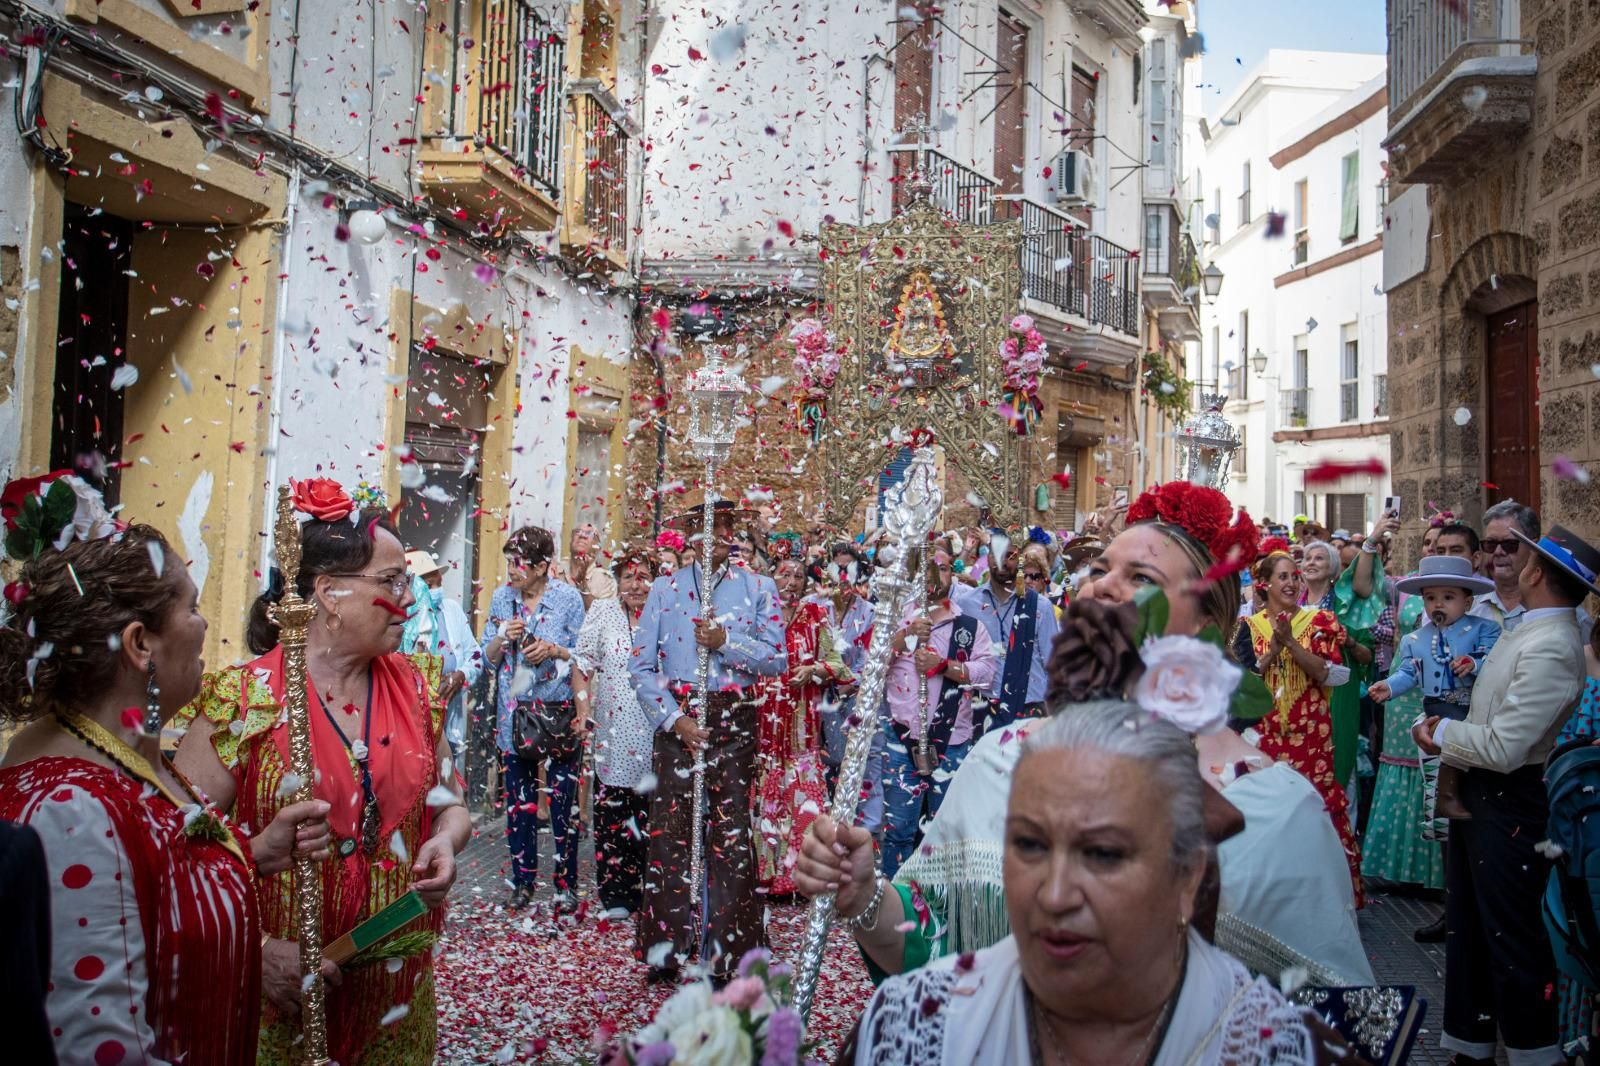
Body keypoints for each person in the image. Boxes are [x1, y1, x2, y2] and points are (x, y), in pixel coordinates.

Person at [800, 483, 1371, 988]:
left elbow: (1321, 1027)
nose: (1101, 587)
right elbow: (922, 947)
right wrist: (864, 898)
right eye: (1099, 570)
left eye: (1141, 578)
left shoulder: (1276, 809)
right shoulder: (1004, 758)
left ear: (1206, 625)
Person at [1, 476, 327, 1066]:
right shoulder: (71, 809)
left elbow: (146, 898)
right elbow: (98, 1050)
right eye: (193, 606)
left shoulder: (136, 764)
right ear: (139, 644)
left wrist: (252, 852)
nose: (204, 626)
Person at [844, 702, 1317, 1065]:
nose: (1054, 895)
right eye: (1029, 844)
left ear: (1189, 877)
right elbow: (927, 930)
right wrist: (865, 899)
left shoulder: (1271, 1043)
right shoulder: (910, 1029)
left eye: (1104, 854)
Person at [175, 477, 467, 1065]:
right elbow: (180, 861)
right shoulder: (244, 700)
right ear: (329, 593)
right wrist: (255, 949)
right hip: (278, 999)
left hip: (395, 999)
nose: (408, 599)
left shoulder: (418, 689)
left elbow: (452, 804)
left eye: (405, 580)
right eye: (391, 582)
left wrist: (445, 839)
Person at [1413, 524, 1596, 1064]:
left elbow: (1504, 745)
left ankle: (1530, 1051)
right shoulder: (1531, 630)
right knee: (1471, 930)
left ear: (1537, 573)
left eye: (1522, 554)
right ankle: (1471, 1046)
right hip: (1487, 793)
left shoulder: (1551, 643)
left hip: (1509, 796)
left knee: (1510, 939)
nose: (1507, 559)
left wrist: (1438, 733)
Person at [628, 493, 786, 981]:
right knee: (669, 834)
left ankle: (729, 953)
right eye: (704, 526)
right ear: (692, 534)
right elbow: (640, 666)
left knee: (731, 837)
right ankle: (666, 950)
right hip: (679, 720)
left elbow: (776, 658)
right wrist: (675, 720)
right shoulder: (664, 588)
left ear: (732, 532)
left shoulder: (759, 588)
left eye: (723, 526)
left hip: (735, 718)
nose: (714, 535)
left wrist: (727, 643)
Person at [1236, 549, 1364, 904]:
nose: (1292, 582)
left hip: (1311, 733)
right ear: (1264, 584)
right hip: (1264, 734)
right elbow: (1244, 682)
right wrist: (1272, 652)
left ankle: (1324, 898)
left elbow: (1328, 673)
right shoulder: (1245, 628)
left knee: (1315, 807)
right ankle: (1270, 897)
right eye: (1283, 577)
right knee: (1269, 809)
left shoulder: (1320, 622)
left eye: (1295, 576)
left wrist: (1290, 642)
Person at [480, 525, 587, 911]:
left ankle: (566, 884)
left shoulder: (568, 599)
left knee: (562, 807)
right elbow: (486, 661)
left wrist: (553, 650)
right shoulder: (501, 599)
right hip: (514, 719)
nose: (513, 569)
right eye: (510, 561)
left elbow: (583, 655)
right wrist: (501, 638)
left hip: (557, 714)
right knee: (520, 808)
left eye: (521, 563)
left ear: (543, 566)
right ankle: (522, 883)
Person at [879, 541, 1000, 878]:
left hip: (952, 742)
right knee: (899, 830)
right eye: (929, 569)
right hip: (902, 741)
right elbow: (870, 670)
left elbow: (987, 675)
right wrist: (904, 636)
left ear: (953, 575)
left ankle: (939, 907)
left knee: (945, 831)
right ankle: (894, 908)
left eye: (944, 568)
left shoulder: (969, 628)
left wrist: (944, 666)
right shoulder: (895, 621)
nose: (936, 575)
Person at [1368, 555, 1499, 828]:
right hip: (1439, 706)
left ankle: (1458, 802)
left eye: (1448, 597)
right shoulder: (1415, 639)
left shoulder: (1484, 629)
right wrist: (1390, 686)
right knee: (1443, 736)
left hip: (1476, 706)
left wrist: (1473, 662)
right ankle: (1443, 801)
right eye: (1430, 598)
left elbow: (1494, 660)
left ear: (1468, 601)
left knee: (1472, 765)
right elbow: (1409, 673)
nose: (1438, 604)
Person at [754, 556, 851, 894]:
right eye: (784, 575)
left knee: (803, 803)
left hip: (801, 732)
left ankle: (802, 880)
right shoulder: (757, 616)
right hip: (762, 731)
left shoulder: (816, 617)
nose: (792, 582)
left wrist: (813, 671)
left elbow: (838, 664)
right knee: (764, 800)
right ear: (770, 579)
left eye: (798, 576)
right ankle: (764, 875)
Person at [573, 550, 657, 915]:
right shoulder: (603, 612)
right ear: (617, 581)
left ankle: (649, 889)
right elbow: (581, 665)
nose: (636, 584)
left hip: (656, 731)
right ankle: (615, 893)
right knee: (613, 814)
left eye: (643, 576)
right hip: (614, 729)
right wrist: (583, 711)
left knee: (651, 814)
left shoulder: (665, 612)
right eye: (628, 577)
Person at [953, 527, 1060, 730]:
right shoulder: (967, 603)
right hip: (982, 707)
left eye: (1009, 555)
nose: (1002, 561)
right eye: (997, 555)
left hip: (1029, 707)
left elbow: (1053, 664)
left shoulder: (1041, 606)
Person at [403, 549, 482, 761]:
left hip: (450, 720)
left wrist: (462, 675)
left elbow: (475, 655)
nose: (436, 590)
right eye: (429, 585)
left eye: (438, 583)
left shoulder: (452, 610)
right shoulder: (403, 618)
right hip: (413, 723)